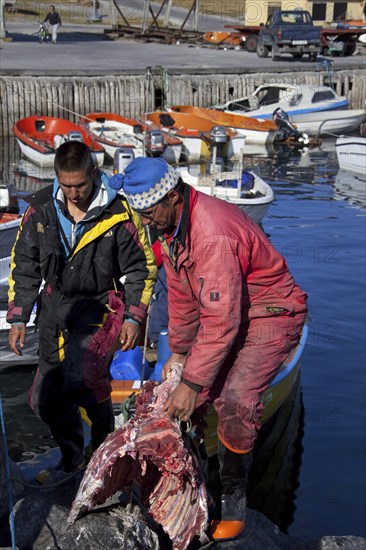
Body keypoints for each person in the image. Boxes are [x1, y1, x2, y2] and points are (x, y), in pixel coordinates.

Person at [109, 157, 308, 542]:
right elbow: (184, 300)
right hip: (231, 311)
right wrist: (179, 355)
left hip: (270, 312)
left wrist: (193, 383)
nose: (145, 222)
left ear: (171, 198)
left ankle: (234, 505)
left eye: (148, 213)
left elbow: (220, 323)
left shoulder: (211, 233)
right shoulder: (171, 231)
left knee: (234, 399)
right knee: (196, 396)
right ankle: (196, 490)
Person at [7, 141, 157, 482]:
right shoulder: (40, 208)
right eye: (67, 185)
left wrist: (134, 317)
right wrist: (18, 317)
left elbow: (142, 268)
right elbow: (24, 265)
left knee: (84, 381)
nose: (74, 193)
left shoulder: (119, 211)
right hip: (52, 308)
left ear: (93, 173)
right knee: (43, 399)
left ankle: (102, 452)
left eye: (81, 185)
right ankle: (72, 457)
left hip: (99, 306)